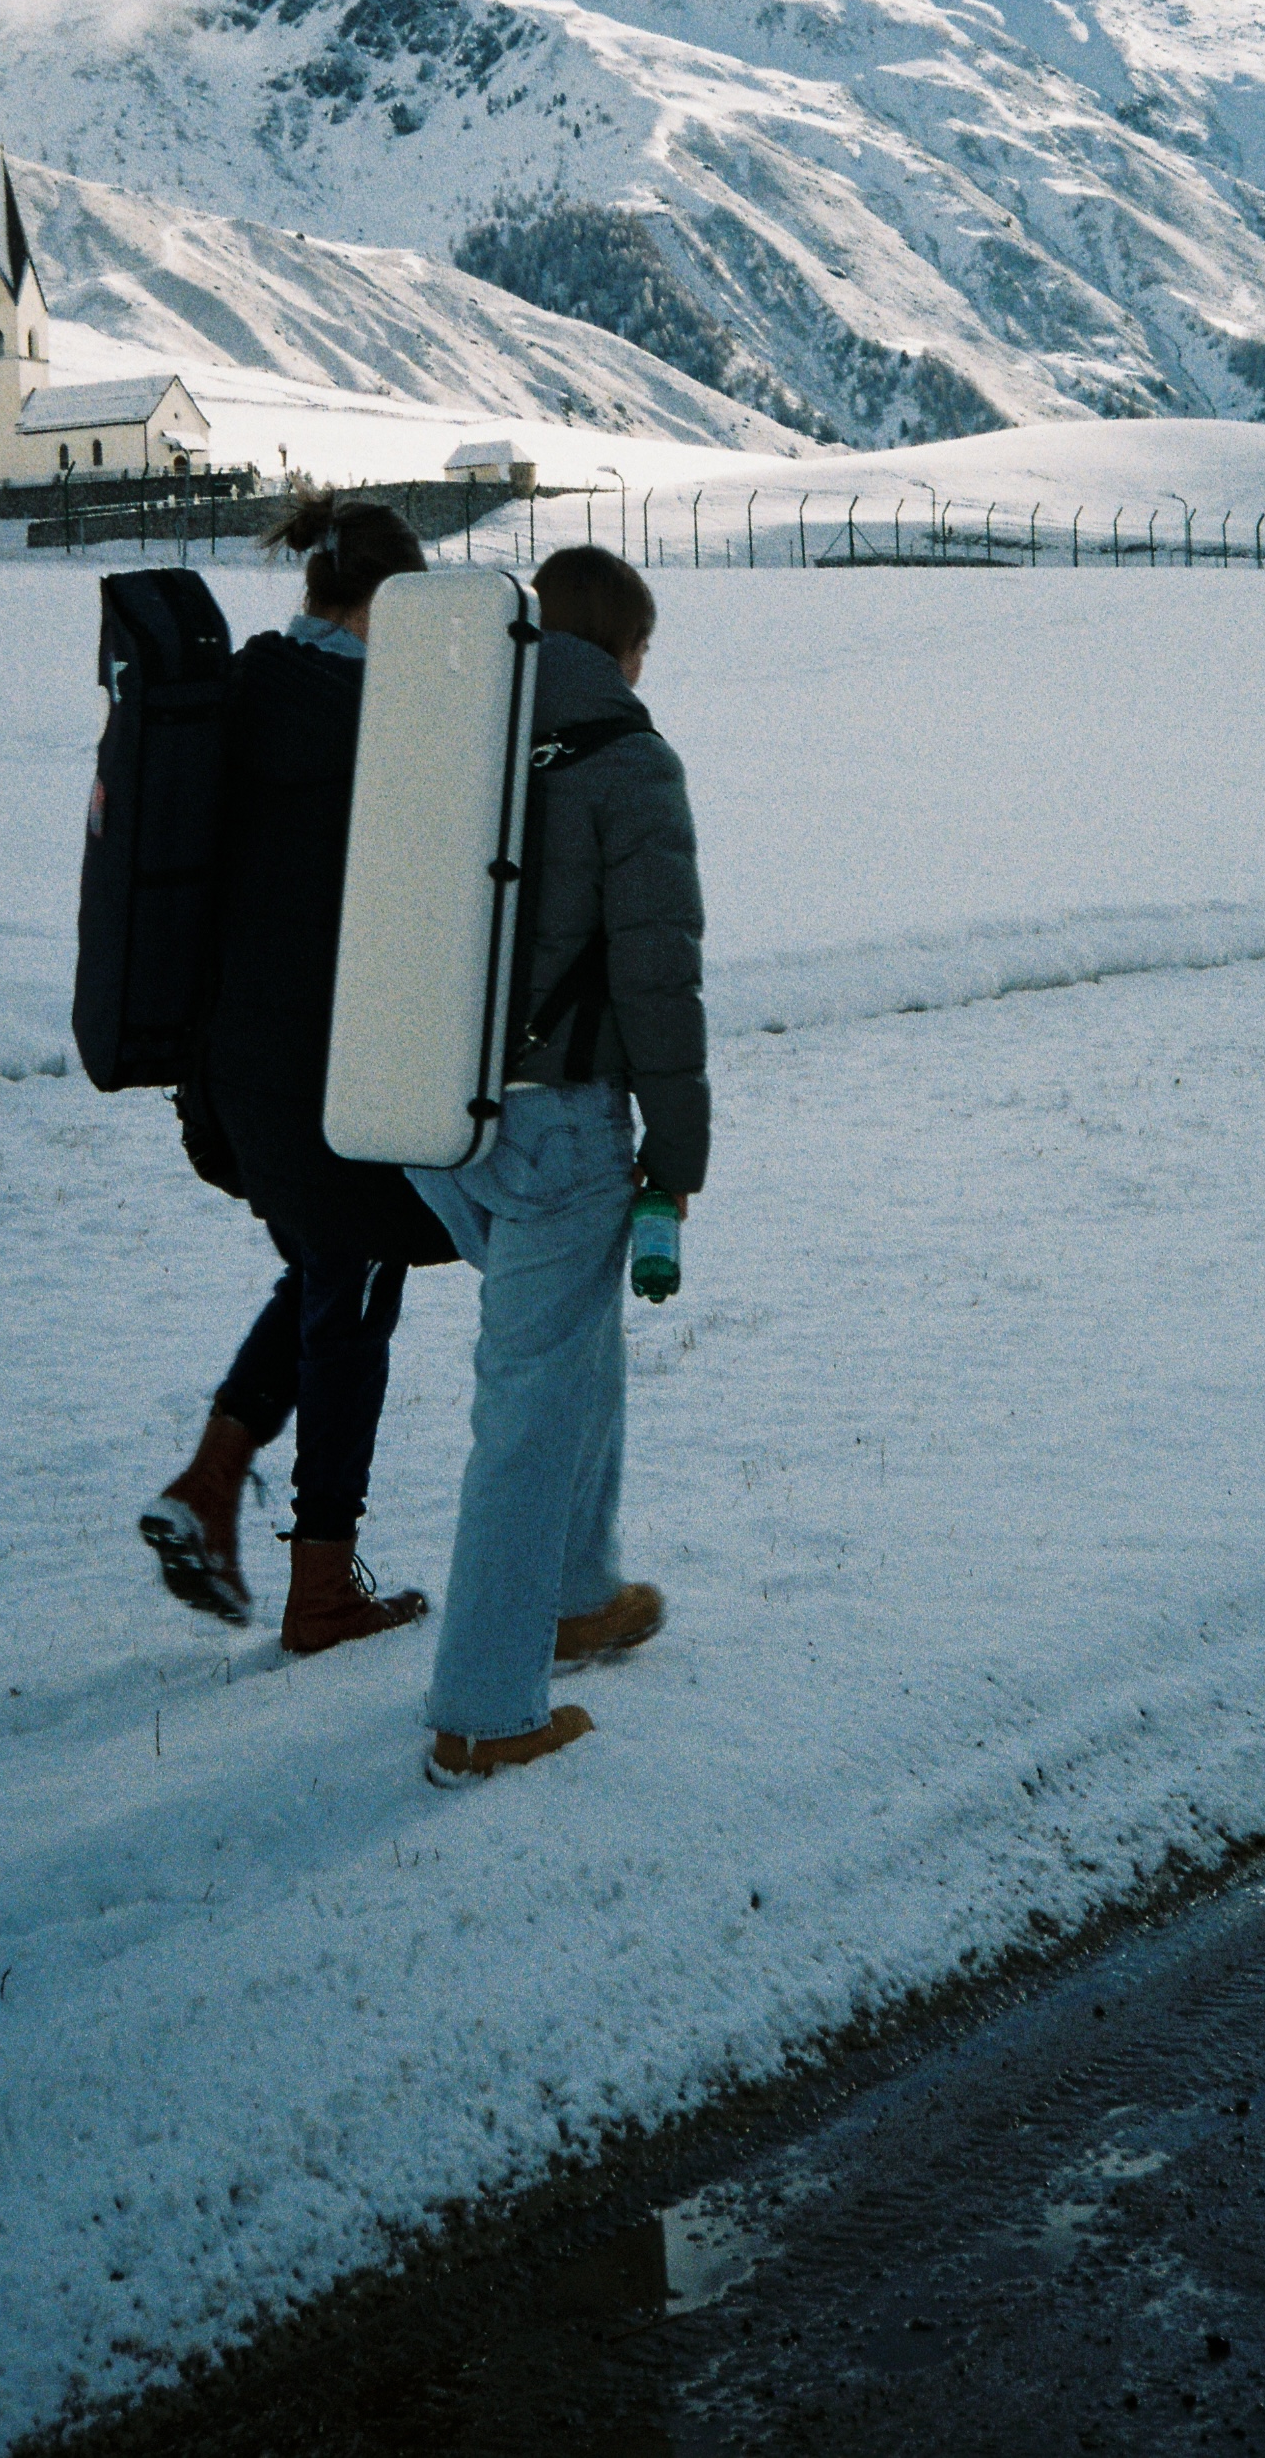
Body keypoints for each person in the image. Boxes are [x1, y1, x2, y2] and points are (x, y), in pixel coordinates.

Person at [408, 544, 709, 1785]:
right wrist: (677, 1156)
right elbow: (657, 976)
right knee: (529, 1410)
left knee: (574, 1349)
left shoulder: (452, 735)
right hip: (563, 1125)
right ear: (626, 650)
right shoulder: (631, 763)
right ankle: (484, 1710)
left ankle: (579, 1592)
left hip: (436, 1119)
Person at [139, 497, 456, 1655]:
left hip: (243, 1071)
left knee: (331, 1269)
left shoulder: (252, 691)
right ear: (384, 603)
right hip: (341, 1072)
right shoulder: (368, 718)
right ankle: (321, 1585)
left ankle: (211, 1485)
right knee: (355, 1301)